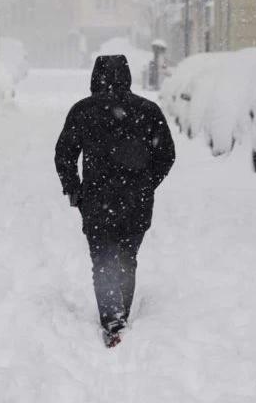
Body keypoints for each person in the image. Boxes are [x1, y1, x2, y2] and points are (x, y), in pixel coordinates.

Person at [55, 55, 176, 347]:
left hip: (97, 202)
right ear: (128, 76)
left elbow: (65, 155)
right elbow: (166, 155)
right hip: (137, 201)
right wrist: (148, 184)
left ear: (95, 76)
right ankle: (118, 312)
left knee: (103, 259)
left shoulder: (83, 111)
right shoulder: (148, 111)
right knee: (127, 257)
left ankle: (112, 319)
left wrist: (74, 189)